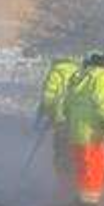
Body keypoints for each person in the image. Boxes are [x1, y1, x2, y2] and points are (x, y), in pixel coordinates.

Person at [63, 47, 104, 205]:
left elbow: (67, 103)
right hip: (92, 132)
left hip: (76, 130)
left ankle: (80, 201)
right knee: (95, 170)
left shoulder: (83, 74)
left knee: (82, 167)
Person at [35, 55, 86, 192]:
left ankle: (62, 183)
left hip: (61, 119)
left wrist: (48, 114)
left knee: (61, 151)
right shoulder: (79, 71)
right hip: (77, 119)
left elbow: (48, 97)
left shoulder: (55, 72)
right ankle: (75, 182)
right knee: (73, 151)